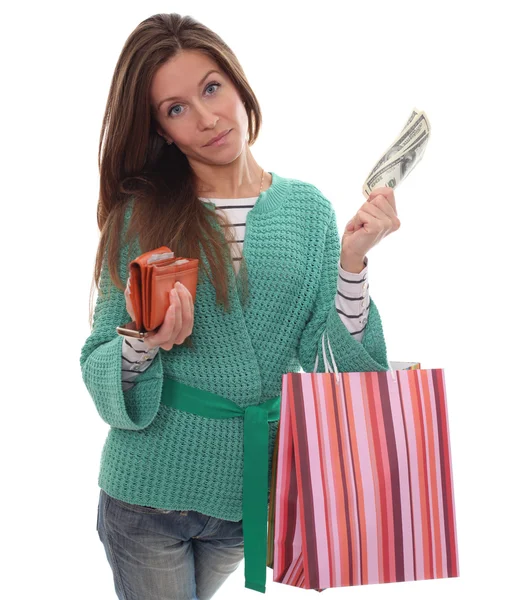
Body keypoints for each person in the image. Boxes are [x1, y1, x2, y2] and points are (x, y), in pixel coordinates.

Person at [80, 12, 401, 600]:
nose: (205, 119)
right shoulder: (139, 214)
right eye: (175, 109)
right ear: (159, 131)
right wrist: (143, 337)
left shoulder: (307, 211)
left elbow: (331, 365)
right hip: (148, 485)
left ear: (236, 82)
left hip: (252, 491)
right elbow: (98, 358)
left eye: (210, 88)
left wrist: (352, 261)